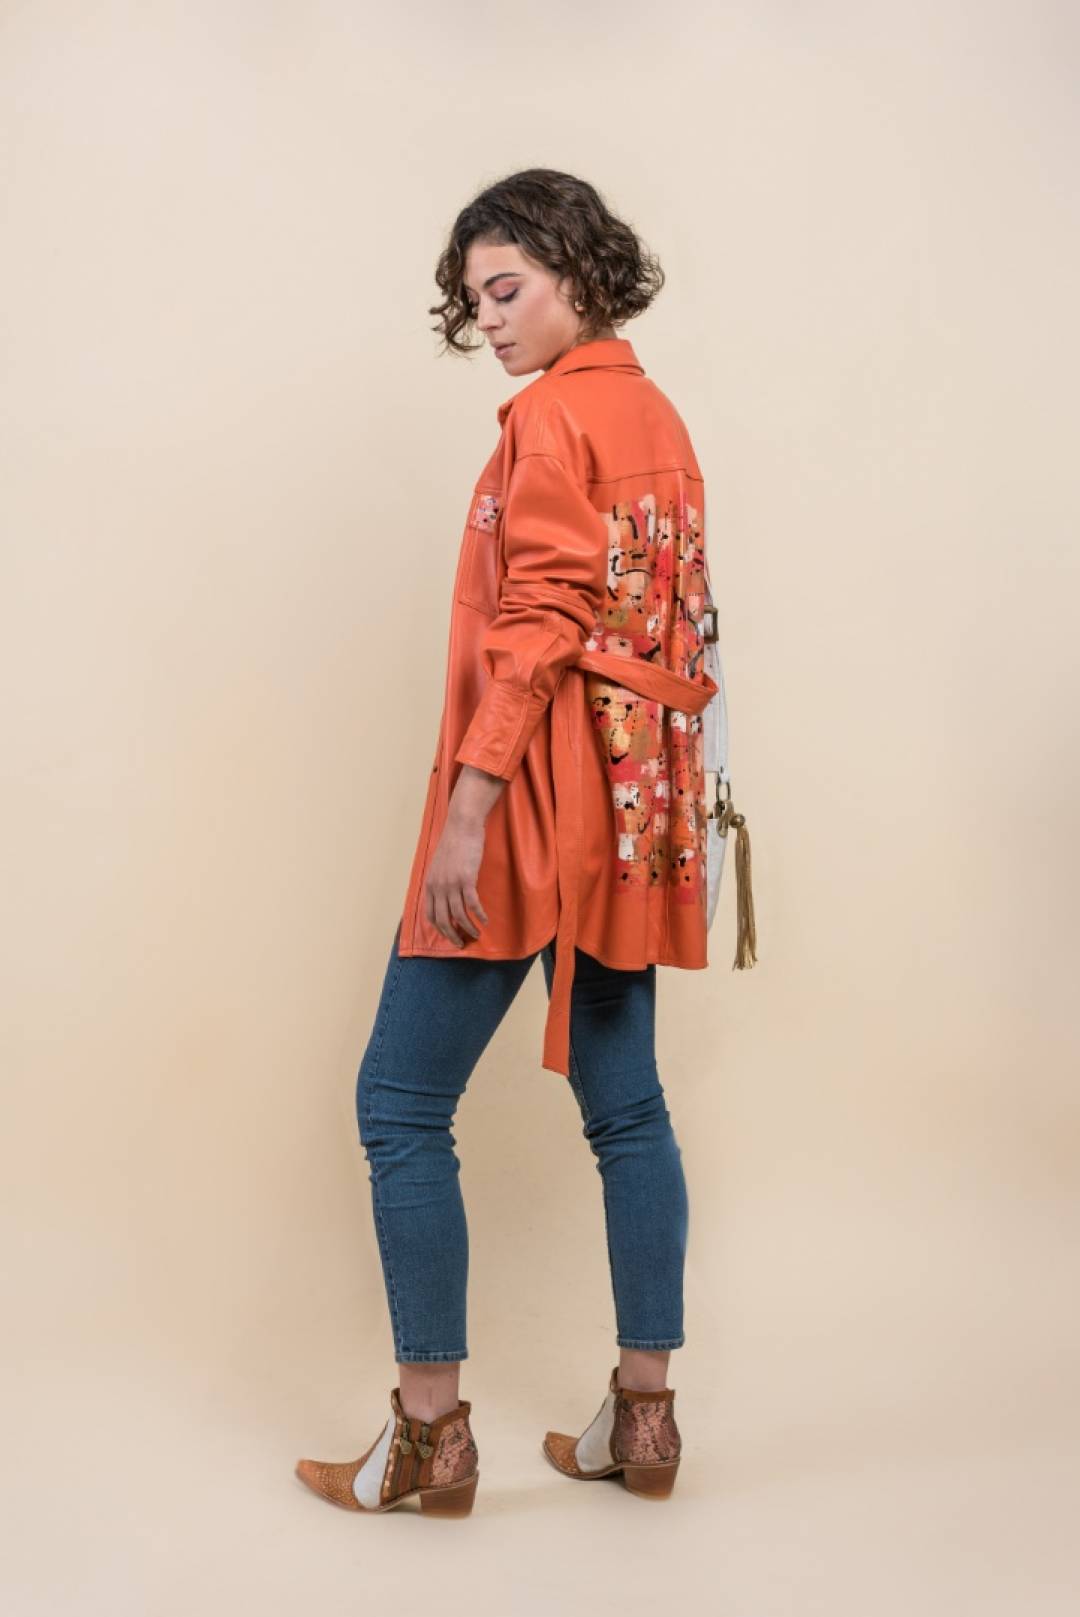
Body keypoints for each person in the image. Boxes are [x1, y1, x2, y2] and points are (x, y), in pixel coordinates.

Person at [295, 168, 716, 1517]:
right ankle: (643, 1418)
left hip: (533, 803)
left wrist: (468, 809)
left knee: (399, 1106)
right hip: (633, 816)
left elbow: (540, 615)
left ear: (577, 273)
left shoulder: (548, 417)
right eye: (473, 298)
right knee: (628, 1109)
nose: (486, 317)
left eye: (506, 288)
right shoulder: (658, 415)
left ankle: (430, 1435)